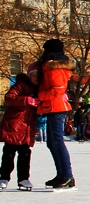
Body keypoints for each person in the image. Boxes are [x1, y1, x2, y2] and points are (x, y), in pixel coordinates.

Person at [27, 39, 75, 189]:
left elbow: (58, 89)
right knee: (52, 143)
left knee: (57, 142)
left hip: (56, 107)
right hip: (52, 107)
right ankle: (62, 174)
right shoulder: (50, 66)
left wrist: (40, 96)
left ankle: (67, 175)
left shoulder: (54, 68)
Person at [0, 73, 39, 190]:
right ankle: (4, 177)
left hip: (27, 126)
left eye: (39, 76)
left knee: (25, 154)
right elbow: (9, 98)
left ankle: (23, 178)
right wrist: (26, 100)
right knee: (9, 152)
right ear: (29, 76)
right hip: (14, 124)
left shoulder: (40, 89)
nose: (36, 78)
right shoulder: (21, 85)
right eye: (34, 75)